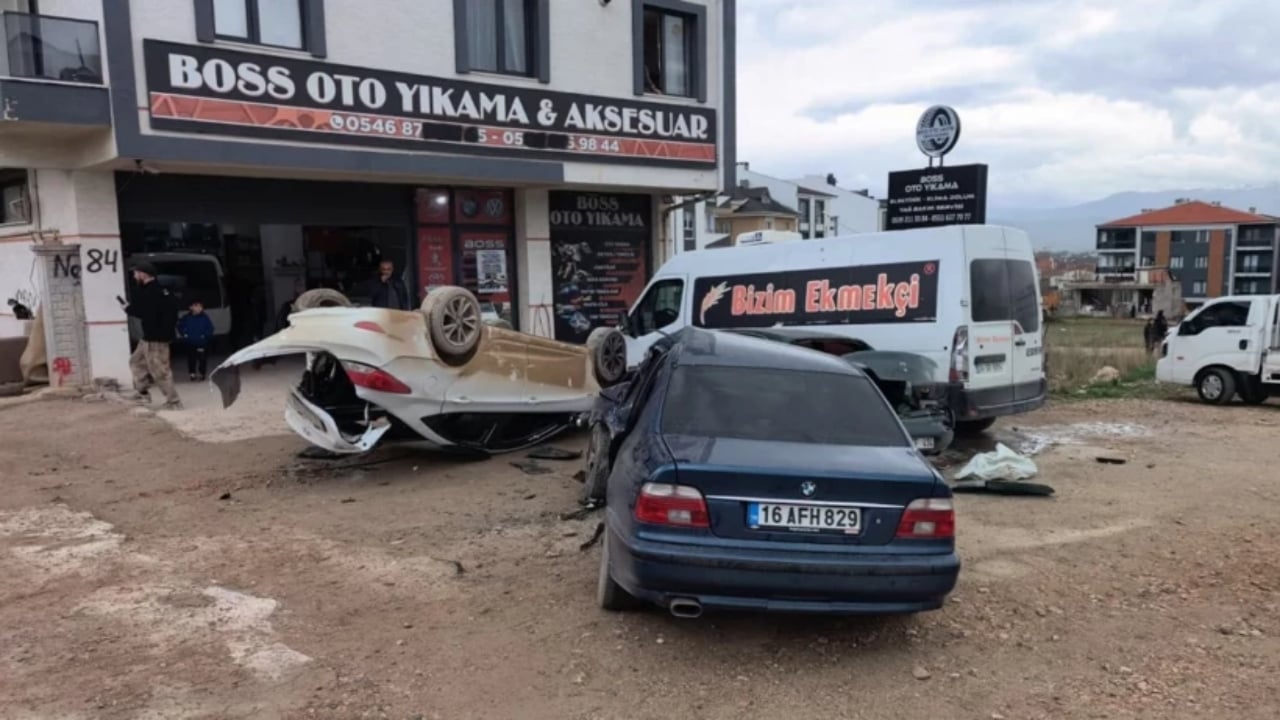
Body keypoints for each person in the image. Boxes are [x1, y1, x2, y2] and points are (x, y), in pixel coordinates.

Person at [123, 261, 182, 409]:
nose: (135, 276)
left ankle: (174, 402)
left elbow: (144, 312)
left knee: (160, 371)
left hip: (156, 339)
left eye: (136, 273)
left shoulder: (150, 292)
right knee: (136, 362)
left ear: (143, 274)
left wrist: (128, 309)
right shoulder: (162, 290)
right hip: (149, 337)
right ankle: (142, 392)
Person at [178, 299, 215, 381]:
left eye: (200, 306)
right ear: (191, 307)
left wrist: (205, 336)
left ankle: (202, 373)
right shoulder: (187, 317)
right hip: (190, 342)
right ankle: (192, 373)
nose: (199, 308)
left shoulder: (205, 317)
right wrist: (184, 334)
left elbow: (210, 328)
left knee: (202, 359)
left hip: (202, 342)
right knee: (191, 358)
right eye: (196, 306)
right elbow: (180, 326)